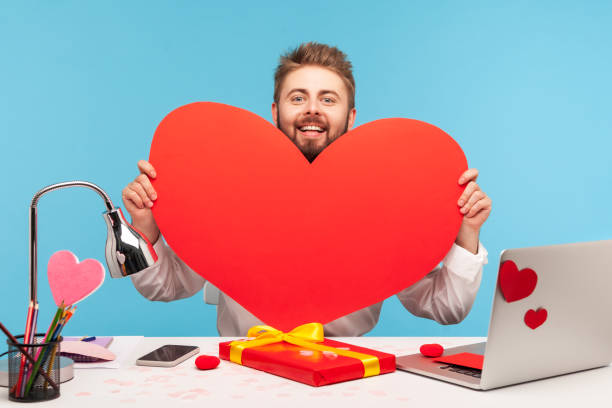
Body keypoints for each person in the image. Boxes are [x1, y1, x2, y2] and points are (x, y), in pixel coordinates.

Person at [123, 42, 492, 336]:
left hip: (347, 383)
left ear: (350, 118)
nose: (312, 109)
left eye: (327, 99)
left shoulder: (385, 197)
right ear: (275, 112)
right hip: (241, 380)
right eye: (298, 98)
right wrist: (146, 225)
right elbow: (164, 287)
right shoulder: (226, 190)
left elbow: (446, 309)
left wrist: (467, 232)